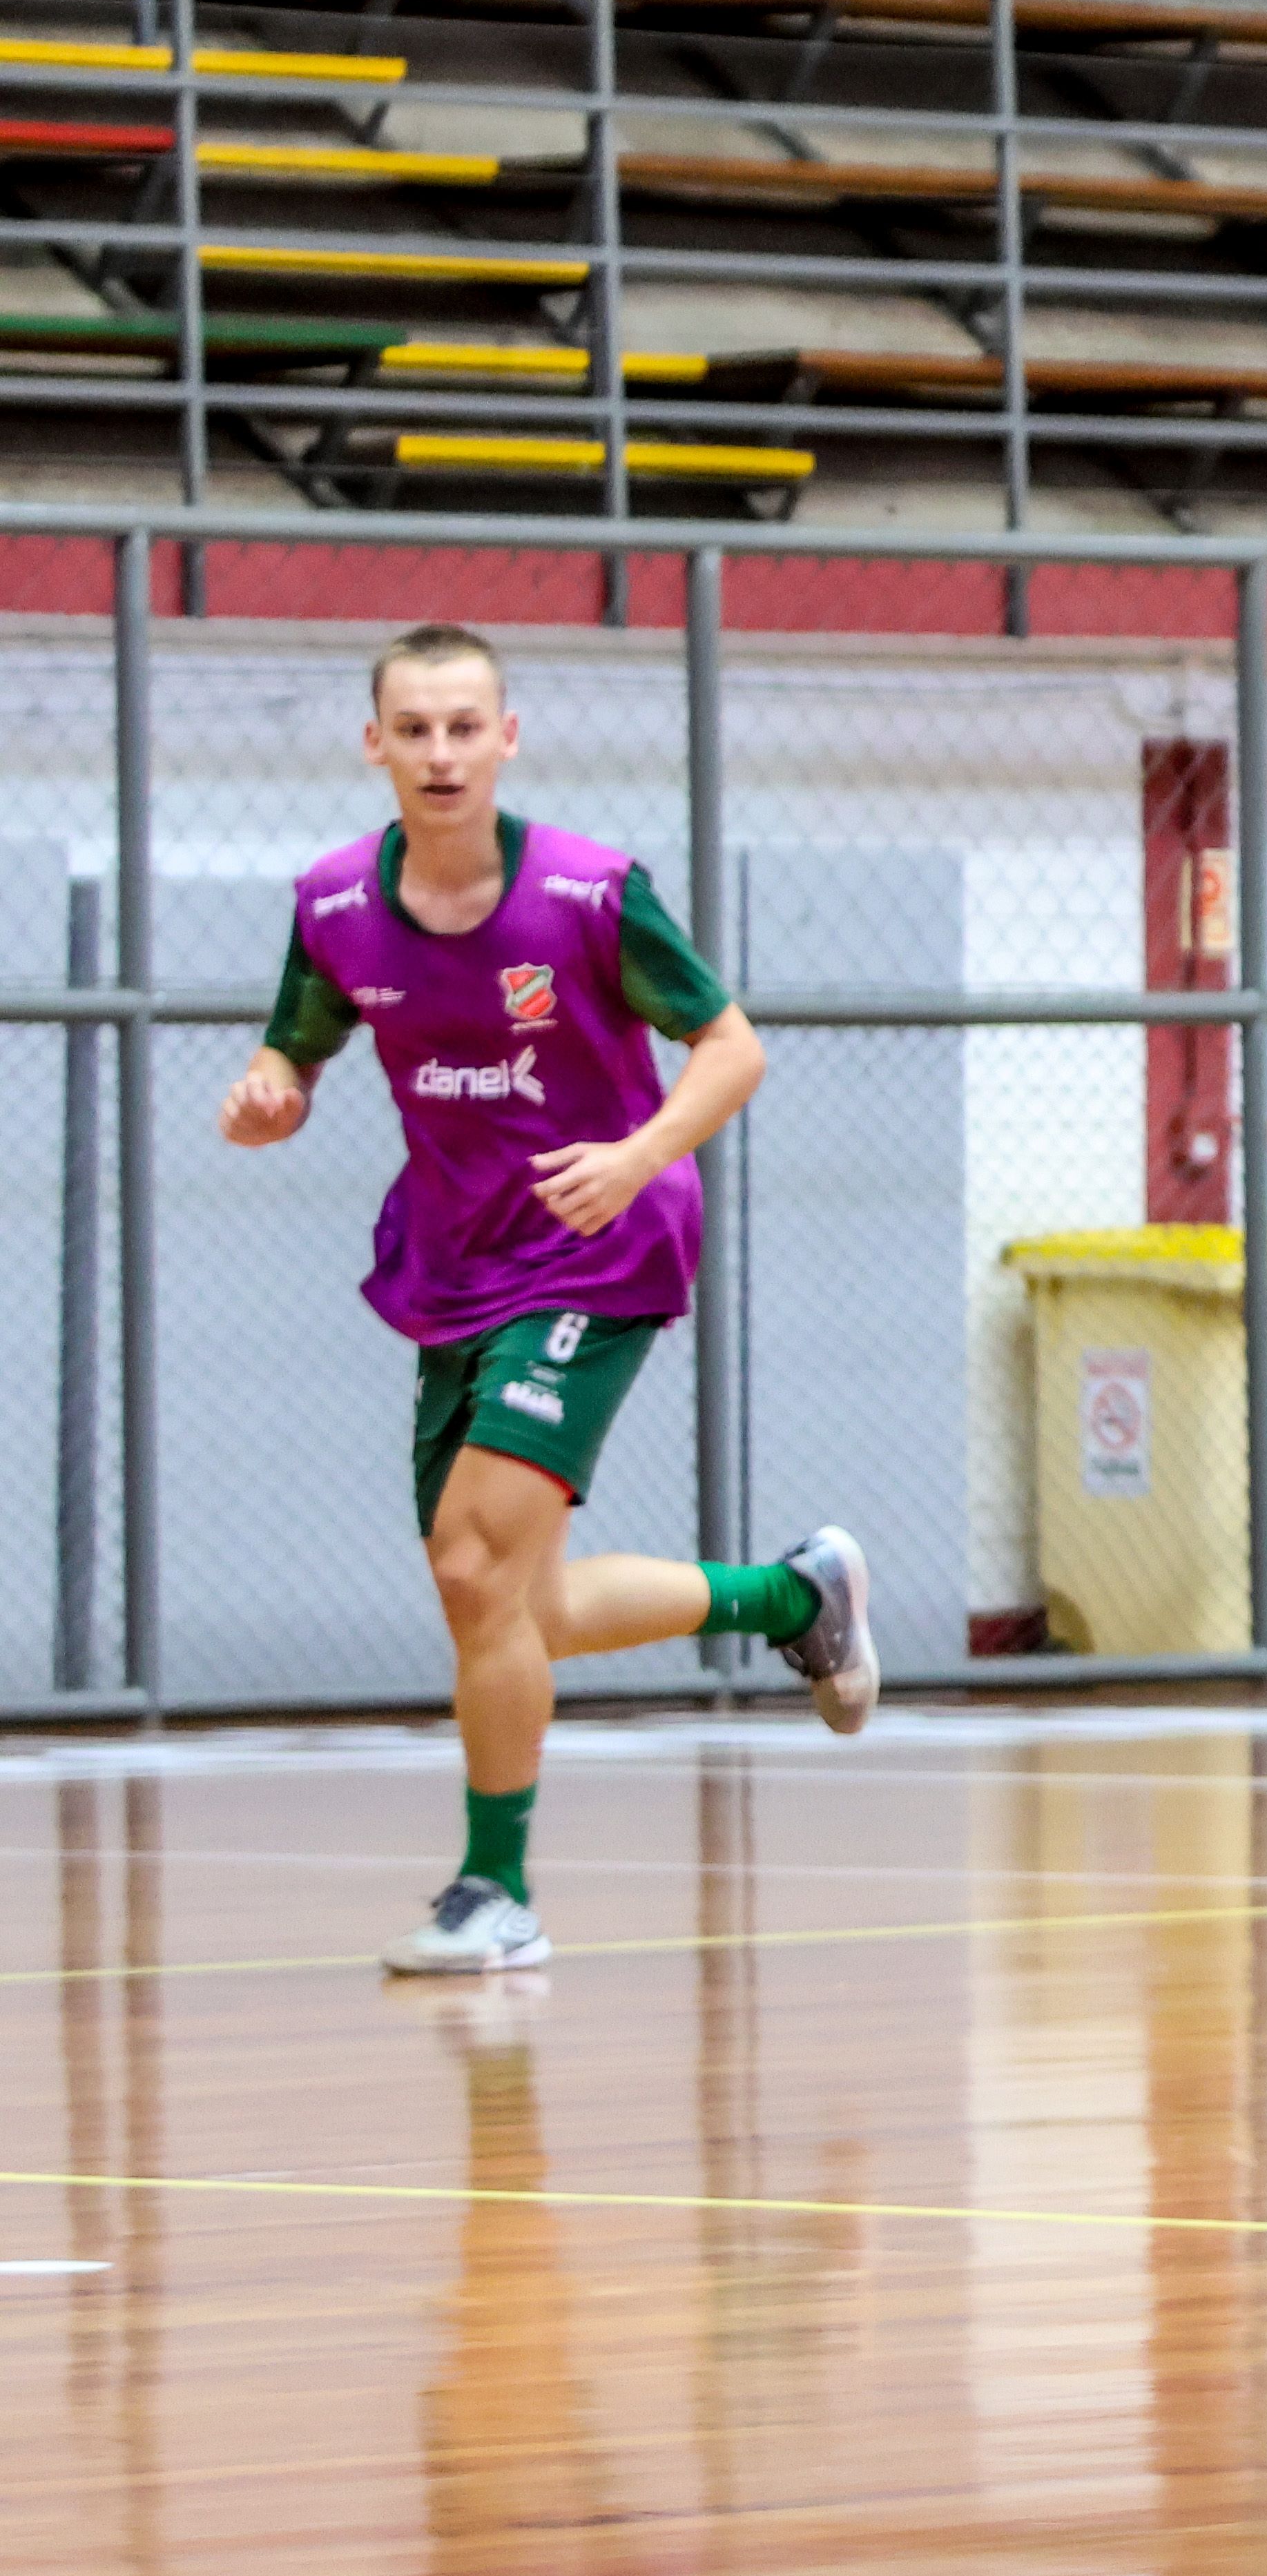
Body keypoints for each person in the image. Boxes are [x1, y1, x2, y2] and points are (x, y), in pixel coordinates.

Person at [223, 623, 878, 1977]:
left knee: (475, 1566)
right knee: (513, 1607)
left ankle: (496, 1892)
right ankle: (792, 1597)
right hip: (456, 1260)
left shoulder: (588, 894)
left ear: (506, 738)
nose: (442, 753)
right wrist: (270, 1094)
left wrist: (637, 1155)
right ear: (375, 743)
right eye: (416, 729)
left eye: (466, 726)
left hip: (600, 1242)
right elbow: (296, 1047)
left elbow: (731, 1047)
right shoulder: (336, 907)